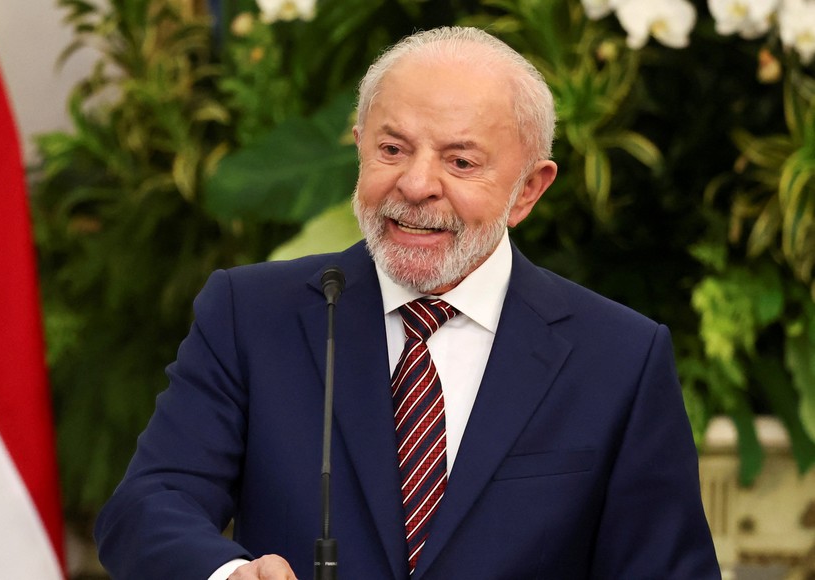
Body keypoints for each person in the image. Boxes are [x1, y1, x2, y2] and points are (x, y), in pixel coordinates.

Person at [95, 26, 721, 579]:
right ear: (360, 145)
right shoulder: (251, 314)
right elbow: (150, 506)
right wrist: (229, 574)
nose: (417, 185)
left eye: (460, 160)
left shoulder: (619, 357)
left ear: (529, 189)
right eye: (392, 150)